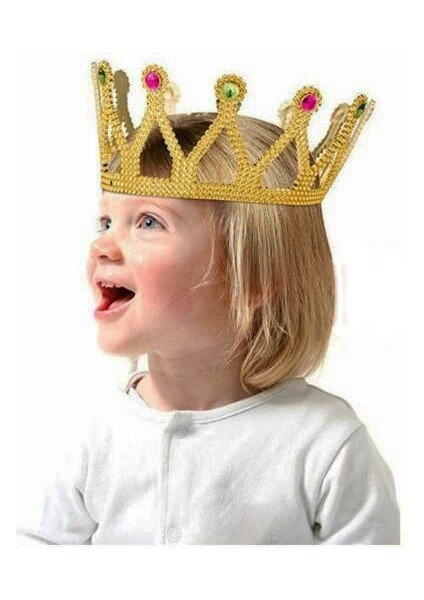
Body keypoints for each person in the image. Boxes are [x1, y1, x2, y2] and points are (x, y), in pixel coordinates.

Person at [16, 60, 400, 545]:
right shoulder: (95, 434)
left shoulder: (326, 444)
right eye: (106, 222)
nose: (103, 246)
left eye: (149, 222)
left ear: (252, 278)